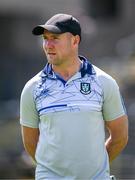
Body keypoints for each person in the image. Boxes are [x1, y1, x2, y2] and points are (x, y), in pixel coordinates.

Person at [20, 13, 128, 180]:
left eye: (54, 38)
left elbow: (120, 136)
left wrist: (94, 167)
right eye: (45, 39)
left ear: (75, 41)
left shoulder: (104, 82)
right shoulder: (32, 88)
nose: (48, 45)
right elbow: (30, 143)